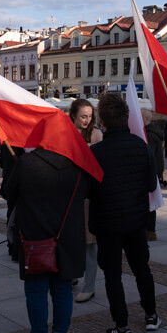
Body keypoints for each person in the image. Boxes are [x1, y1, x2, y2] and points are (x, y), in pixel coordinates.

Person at [7, 147, 89, 333]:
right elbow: (87, 192)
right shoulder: (77, 163)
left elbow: (8, 193)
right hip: (68, 237)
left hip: (36, 236)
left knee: (36, 290)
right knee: (63, 289)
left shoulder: (26, 162)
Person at [90, 93, 160, 333]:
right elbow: (151, 184)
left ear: (102, 121)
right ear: (126, 118)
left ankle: (122, 327)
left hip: (107, 222)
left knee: (112, 275)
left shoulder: (97, 152)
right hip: (135, 220)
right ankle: (151, 315)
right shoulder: (141, 146)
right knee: (142, 269)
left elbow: (88, 190)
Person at [69, 99, 102, 303]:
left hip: (88, 195)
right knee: (71, 240)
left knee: (90, 243)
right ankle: (72, 274)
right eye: (83, 116)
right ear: (73, 115)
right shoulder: (67, 133)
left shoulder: (96, 134)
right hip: (69, 194)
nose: (87, 120)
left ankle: (89, 286)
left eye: (89, 116)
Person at [143, 110, 167, 189]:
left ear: (146, 119)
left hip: (153, 170)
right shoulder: (153, 130)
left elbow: (149, 154)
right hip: (156, 168)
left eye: (140, 117)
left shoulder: (150, 134)